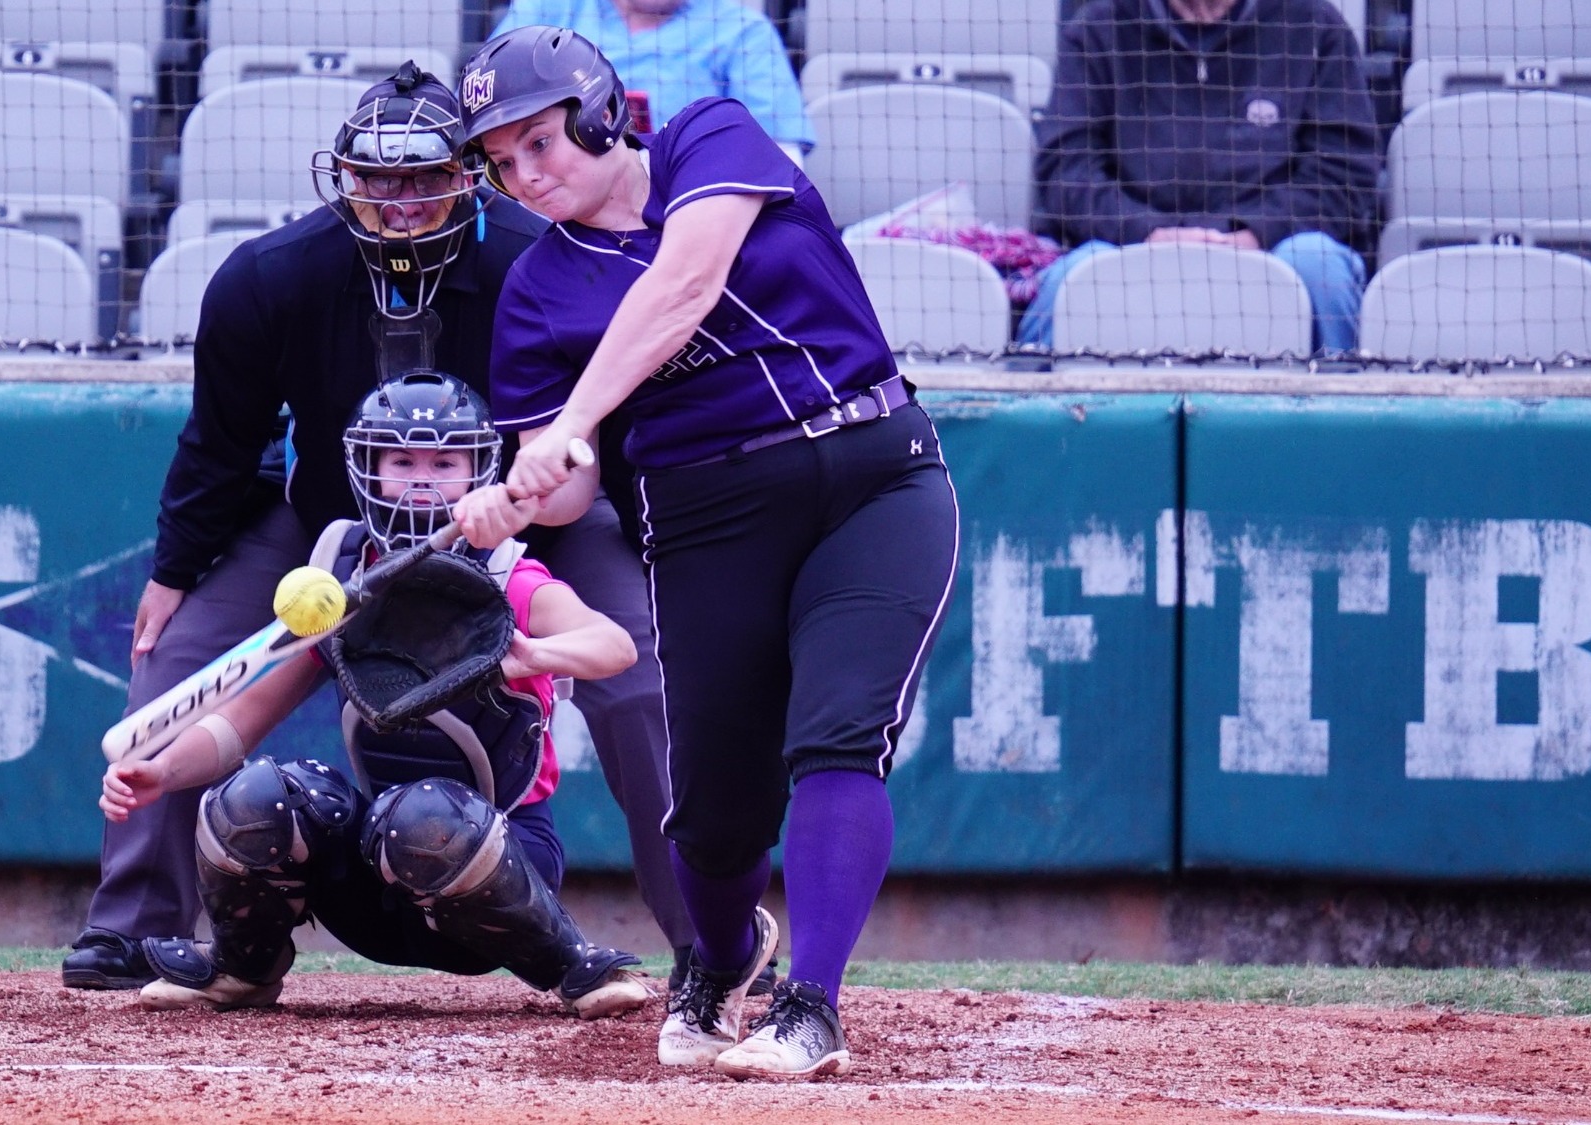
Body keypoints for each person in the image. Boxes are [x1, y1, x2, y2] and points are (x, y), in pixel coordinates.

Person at [64, 62, 705, 994]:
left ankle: (708, 939)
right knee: (179, 658)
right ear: (345, 178)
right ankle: (131, 929)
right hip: (330, 528)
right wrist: (176, 569)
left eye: (422, 179)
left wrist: (617, 545)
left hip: (536, 516)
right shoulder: (268, 277)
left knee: (642, 681)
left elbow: (620, 430)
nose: (400, 203)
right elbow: (220, 442)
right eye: (378, 181)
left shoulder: (543, 258)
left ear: (467, 170)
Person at [450, 27, 958, 1081]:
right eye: (502, 162)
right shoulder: (536, 290)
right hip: (703, 520)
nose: (524, 176)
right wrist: (519, 497)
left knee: (836, 736)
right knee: (717, 814)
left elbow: (681, 284)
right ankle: (724, 957)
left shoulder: (707, 140)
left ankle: (809, 1007)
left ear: (599, 113)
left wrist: (573, 420)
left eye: (539, 143)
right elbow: (578, 482)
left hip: (873, 476)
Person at [99, 372, 652, 1020]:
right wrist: (160, 771)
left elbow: (615, 644)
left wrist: (532, 656)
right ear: (369, 469)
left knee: (425, 814)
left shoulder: (509, 573)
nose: (422, 480)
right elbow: (241, 723)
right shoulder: (345, 580)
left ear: (478, 471)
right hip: (381, 868)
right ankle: (243, 967)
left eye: (444, 462)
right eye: (402, 461)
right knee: (253, 797)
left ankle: (568, 963)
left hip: (498, 869)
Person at [1018, 0, 1379, 354]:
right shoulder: (1098, 26)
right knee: (1074, 277)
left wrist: (1255, 233)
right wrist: (1148, 232)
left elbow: (1344, 169)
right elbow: (1066, 167)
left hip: (1273, 246)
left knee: (1317, 264)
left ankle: (1336, 406)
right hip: (1132, 247)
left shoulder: (1313, 23)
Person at [491, 0, 813, 161]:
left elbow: (783, 159)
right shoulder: (551, 7)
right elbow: (487, 98)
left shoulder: (742, 28)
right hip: (549, 203)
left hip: (689, 213)